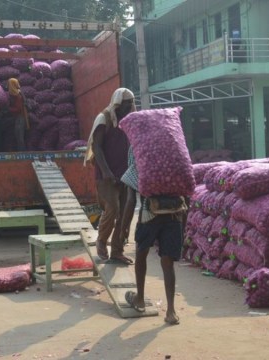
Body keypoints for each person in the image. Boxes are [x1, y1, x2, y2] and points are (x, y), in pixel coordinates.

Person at [121, 148, 186, 324]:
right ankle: (171, 311)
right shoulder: (170, 157)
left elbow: (131, 200)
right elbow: (185, 191)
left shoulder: (137, 152)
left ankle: (140, 299)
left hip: (148, 214)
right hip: (173, 213)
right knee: (167, 263)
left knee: (141, 254)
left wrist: (123, 228)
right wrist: (184, 225)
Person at [85, 88, 136, 265]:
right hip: (106, 174)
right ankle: (101, 239)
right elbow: (97, 146)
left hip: (124, 174)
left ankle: (117, 251)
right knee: (112, 208)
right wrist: (106, 171)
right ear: (118, 103)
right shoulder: (104, 118)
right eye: (126, 103)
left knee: (124, 214)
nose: (129, 106)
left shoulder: (128, 120)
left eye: (131, 103)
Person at [8, 78, 29, 151]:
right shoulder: (14, 94)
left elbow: (18, 109)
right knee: (17, 136)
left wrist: (8, 109)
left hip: (20, 117)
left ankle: (22, 154)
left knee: (19, 136)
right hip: (18, 117)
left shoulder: (17, 95)